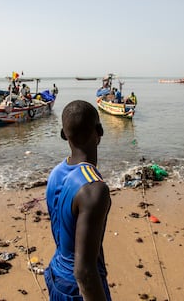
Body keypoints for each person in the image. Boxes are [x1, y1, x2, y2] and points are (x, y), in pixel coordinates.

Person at [45, 100, 112, 301]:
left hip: (55, 273)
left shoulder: (56, 172)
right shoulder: (94, 189)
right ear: (99, 131)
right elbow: (84, 272)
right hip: (77, 290)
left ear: (64, 135)